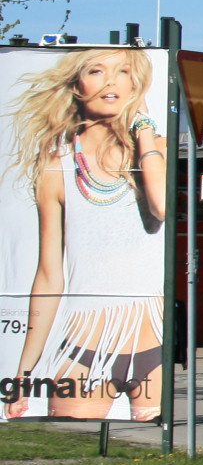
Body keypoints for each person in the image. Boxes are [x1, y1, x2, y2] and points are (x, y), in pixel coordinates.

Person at [7, 49, 166, 421]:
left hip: (153, 343)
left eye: (123, 71)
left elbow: (160, 207)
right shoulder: (55, 166)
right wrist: (23, 373)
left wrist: (143, 131)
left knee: (149, 464)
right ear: (78, 85)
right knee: (74, 450)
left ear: (136, 84)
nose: (111, 80)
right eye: (97, 71)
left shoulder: (153, 151)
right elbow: (49, 274)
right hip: (84, 345)